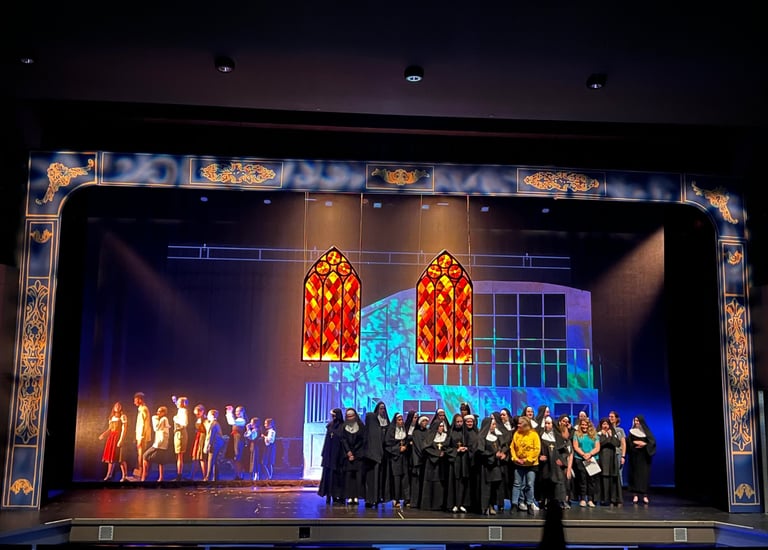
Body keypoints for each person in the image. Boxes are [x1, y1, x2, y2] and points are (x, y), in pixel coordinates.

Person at [510, 415, 541, 514]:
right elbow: (512, 448)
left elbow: (536, 449)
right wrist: (516, 459)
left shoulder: (534, 435)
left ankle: (529, 504)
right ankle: (514, 504)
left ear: (525, 425)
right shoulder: (516, 434)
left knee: (529, 484)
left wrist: (527, 460)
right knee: (517, 484)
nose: (518, 425)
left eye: (520, 424)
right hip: (518, 463)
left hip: (531, 464)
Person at [362, 402, 390, 507]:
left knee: (378, 478)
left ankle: (377, 497)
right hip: (371, 457)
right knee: (371, 479)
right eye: (380, 408)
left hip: (380, 456)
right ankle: (371, 498)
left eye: (384, 408)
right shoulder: (370, 427)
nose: (382, 410)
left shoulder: (383, 426)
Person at [538, 416, 567, 510]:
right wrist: (539, 456)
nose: (547, 425)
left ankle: (557, 501)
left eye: (549, 423)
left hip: (556, 465)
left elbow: (564, 451)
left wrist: (562, 461)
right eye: (545, 423)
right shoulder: (541, 436)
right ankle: (544, 501)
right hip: (545, 464)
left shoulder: (558, 437)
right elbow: (536, 448)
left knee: (556, 482)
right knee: (545, 482)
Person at [628, 414, 656, 505]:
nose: (636, 422)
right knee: (635, 475)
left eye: (638, 420)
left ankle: (645, 495)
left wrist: (644, 444)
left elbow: (652, 442)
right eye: (635, 420)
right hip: (635, 457)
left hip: (644, 457)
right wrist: (635, 443)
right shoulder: (632, 432)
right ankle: (635, 495)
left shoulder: (647, 432)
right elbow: (629, 443)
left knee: (644, 476)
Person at [572, 417, 600, 507]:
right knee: (582, 479)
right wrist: (584, 455)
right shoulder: (576, 434)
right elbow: (576, 446)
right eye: (582, 425)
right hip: (580, 458)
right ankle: (583, 499)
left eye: (586, 425)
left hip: (592, 459)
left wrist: (590, 454)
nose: (584, 426)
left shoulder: (594, 434)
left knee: (591, 480)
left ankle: (590, 499)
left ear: (589, 425)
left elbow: (597, 447)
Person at [383, 412, 409, 508]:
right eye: (399, 420)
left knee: (405, 479)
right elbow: (387, 445)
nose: (401, 422)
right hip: (395, 458)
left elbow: (406, 441)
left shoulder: (404, 429)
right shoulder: (391, 431)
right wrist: (398, 449)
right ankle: (396, 499)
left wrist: (405, 447)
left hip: (403, 458)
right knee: (396, 479)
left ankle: (406, 499)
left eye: (402, 420)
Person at [318, 409, 344, 503]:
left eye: (334, 416)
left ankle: (338, 495)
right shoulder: (330, 426)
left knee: (337, 476)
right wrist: (324, 454)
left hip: (339, 454)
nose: (333, 418)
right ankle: (328, 495)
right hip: (329, 454)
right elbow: (327, 440)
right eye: (332, 416)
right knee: (329, 476)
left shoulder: (343, 426)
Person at [340, 408, 366, 505]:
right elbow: (343, 440)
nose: (350, 418)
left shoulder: (361, 426)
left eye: (352, 416)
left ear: (355, 416)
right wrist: (348, 452)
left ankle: (356, 496)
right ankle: (349, 496)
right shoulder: (344, 427)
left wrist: (354, 453)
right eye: (348, 416)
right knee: (349, 477)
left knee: (357, 477)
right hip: (348, 456)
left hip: (358, 455)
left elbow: (362, 440)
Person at [98, 401, 128, 482]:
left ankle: (124, 476)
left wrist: (121, 440)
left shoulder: (123, 416)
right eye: (116, 406)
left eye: (119, 405)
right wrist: (103, 434)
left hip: (118, 437)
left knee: (121, 458)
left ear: (121, 407)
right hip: (111, 438)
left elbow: (124, 429)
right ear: (114, 407)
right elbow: (110, 429)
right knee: (110, 458)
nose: (117, 407)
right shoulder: (111, 417)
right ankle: (109, 474)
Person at [142, 405, 171, 482]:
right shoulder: (163, 419)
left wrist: (154, 418)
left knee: (145, 456)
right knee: (160, 461)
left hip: (159, 443)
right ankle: (160, 478)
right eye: (157, 411)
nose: (157, 413)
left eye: (159, 411)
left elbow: (156, 428)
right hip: (162, 443)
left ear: (164, 412)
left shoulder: (164, 419)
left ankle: (144, 475)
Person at [597, 417, 622, 506]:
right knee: (604, 478)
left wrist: (610, 436)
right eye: (604, 424)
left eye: (607, 424)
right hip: (603, 458)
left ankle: (613, 499)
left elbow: (617, 444)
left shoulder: (612, 433)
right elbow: (600, 444)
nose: (605, 426)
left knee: (613, 478)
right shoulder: (598, 434)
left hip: (612, 459)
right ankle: (604, 499)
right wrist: (607, 438)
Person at [226, 405, 248, 480]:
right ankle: (237, 474)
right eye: (236, 411)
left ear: (242, 412)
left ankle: (240, 475)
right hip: (233, 438)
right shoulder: (238, 419)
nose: (236, 413)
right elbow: (231, 422)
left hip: (238, 440)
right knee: (232, 458)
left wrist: (229, 412)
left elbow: (232, 422)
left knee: (237, 457)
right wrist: (229, 412)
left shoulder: (242, 420)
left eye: (238, 411)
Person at [608, 410, 627, 498]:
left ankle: (619, 495)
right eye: (609, 416)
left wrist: (623, 456)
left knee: (619, 473)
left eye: (612, 417)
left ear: (616, 419)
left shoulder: (620, 430)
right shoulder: (606, 429)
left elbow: (623, 443)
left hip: (618, 454)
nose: (610, 418)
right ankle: (611, 495)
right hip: (608, 455)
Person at [133, 392, 152, 480]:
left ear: (140, 400)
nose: (134, 402)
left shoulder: (144, 409)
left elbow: (143, 425)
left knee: (142, 455)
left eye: (136, 400)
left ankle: (142, 473)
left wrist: (140, 437)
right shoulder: (141, 409)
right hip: (140, 435)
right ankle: (141, 472)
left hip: (142, 436)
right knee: (140, 454)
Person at [204, 409, 226, 481]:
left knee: (211, 461)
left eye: (208, 415)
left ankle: (208, 477)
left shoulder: (213, 424)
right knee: (215, 461)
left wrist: (207, 446)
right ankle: (216, 478)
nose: (207, 416)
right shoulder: (216, 423)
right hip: (218, 444)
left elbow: (210, 436)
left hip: (214, 444)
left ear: (212, 415)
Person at [171, 396, 189, 481]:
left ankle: (179, 475)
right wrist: (174, 400)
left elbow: (185, 423)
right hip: (178, 433)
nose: (177, 403)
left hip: (181, 434)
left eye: (179, 402)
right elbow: (177, 405)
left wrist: (175, 419)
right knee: (178, 455)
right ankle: (179, 473)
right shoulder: (180, 410)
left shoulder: (183, 411)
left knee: (180, 455)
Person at [190, 404, 207, 480]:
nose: (197, 415)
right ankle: (192, 476)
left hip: (203, 438)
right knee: (195, 457)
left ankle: (205, 476)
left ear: (202, 411)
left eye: (198, 413)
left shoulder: (205, 419)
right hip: (198, 437)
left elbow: (205, 430)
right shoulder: (198, 419)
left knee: (201, 457)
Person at [245, 416, 262, 481]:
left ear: (256, 424)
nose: (250, 424)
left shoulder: (256, 430)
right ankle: (254, 475)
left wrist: (248, 429)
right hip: (252, 446)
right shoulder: (254, 430)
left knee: (255, 460)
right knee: (252, 460)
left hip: (255, 446)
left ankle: (256, 475)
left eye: (252, 422)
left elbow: (252, 437)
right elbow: (246, 435)